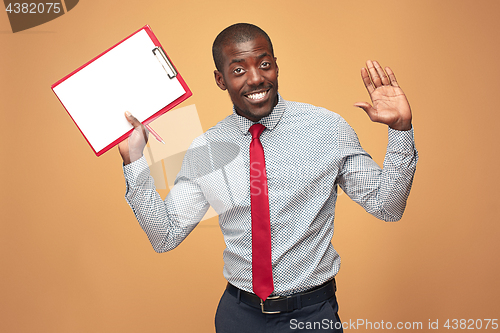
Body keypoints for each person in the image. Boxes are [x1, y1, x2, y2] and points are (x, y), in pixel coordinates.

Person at [118, 23, 418, 333]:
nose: (256, 78)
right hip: (238, 316)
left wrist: (400, 132)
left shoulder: (327, 129)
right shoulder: (205, 150)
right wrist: (134, 160)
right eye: (238, 70)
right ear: (220, 80)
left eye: (264, 64)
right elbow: (164, 236)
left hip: (312, 315)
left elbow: (388, 207)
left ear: (276, 66)